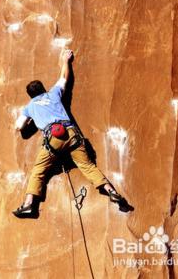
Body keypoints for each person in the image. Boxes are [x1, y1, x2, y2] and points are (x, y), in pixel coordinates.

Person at [13, 49, 126, 219]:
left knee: (38, 171)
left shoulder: (30, 106)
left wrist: (31, 121)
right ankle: (111, 190)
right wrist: (66, 60)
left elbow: (19, 126)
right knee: (88, 167)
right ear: (43, 88)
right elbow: (64, 79)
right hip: (72, 135)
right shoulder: (52, 94)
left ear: (30, 95)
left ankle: (29, 204)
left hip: (53, 140)